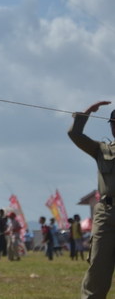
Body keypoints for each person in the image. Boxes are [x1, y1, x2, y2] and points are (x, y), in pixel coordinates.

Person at [68, 101, 115, 298]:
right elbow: (75, 135)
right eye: (113, 123)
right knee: (98, 266)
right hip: (107, 212)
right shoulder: (101, 149)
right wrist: (87, 113)